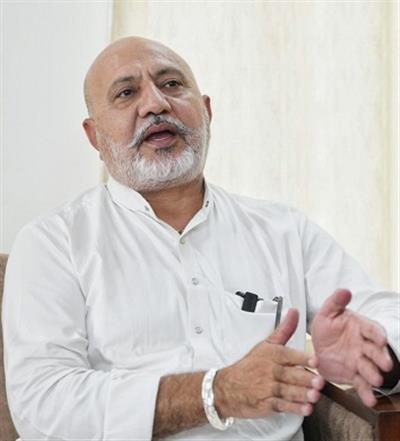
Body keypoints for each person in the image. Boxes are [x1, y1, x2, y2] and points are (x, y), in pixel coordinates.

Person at [2, 36, 399, 441]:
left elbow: (385, 313)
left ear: (207, 112)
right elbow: (42, 403)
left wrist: (376, 354)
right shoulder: (52, 243)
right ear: (95, 137)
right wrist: (215, 393)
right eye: (126, 93)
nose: (155, 104)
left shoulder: (283, 230)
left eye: (172, 84)